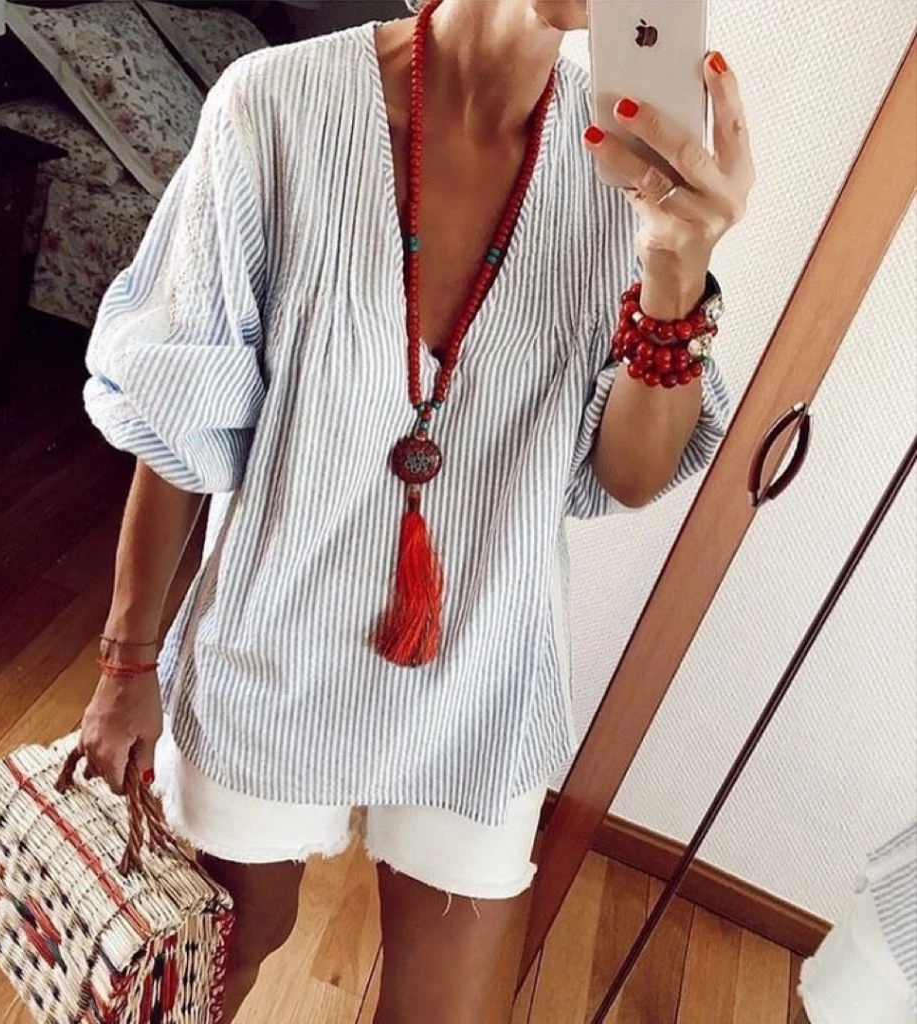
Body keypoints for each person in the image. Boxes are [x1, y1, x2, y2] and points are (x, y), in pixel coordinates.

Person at [79, 0, 753, 1020]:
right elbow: (178, 414)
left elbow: (628, 474)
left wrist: (672, 266)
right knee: (217, 956)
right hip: (271, 650)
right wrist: (126, 666)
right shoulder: (276, 107)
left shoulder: (625, 163)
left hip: (485, 672)